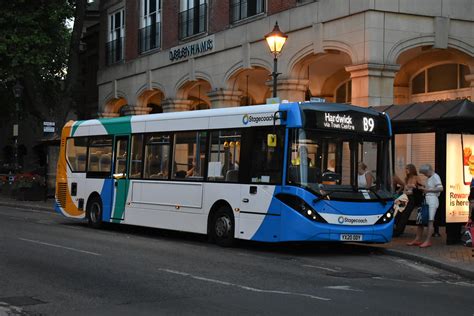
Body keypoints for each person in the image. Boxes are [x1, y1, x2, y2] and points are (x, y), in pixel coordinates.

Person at [407, 164, 443, 248]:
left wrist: (427, 190)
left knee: (430, 220)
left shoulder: (435, 177)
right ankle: (418, 239)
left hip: (432, 200)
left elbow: (441, 188)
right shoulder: (430, 178)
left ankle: (427, 240)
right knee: (421, 220)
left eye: (425, 173)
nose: (425, 175)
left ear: (429, 171)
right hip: (426, 199)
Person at [393, 164, 420, 237]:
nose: (406, 170)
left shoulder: (416, 177)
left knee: (405, 215)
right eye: (405, 169)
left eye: (407, 169)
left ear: (411, 169)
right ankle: (395, 229)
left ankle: (399, 231)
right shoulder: (406, 178)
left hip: (411, 197)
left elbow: (421, 186)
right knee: (398, 213)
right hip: (404, 197)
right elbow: (404, 187)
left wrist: (415, 187)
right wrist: (399, 191)